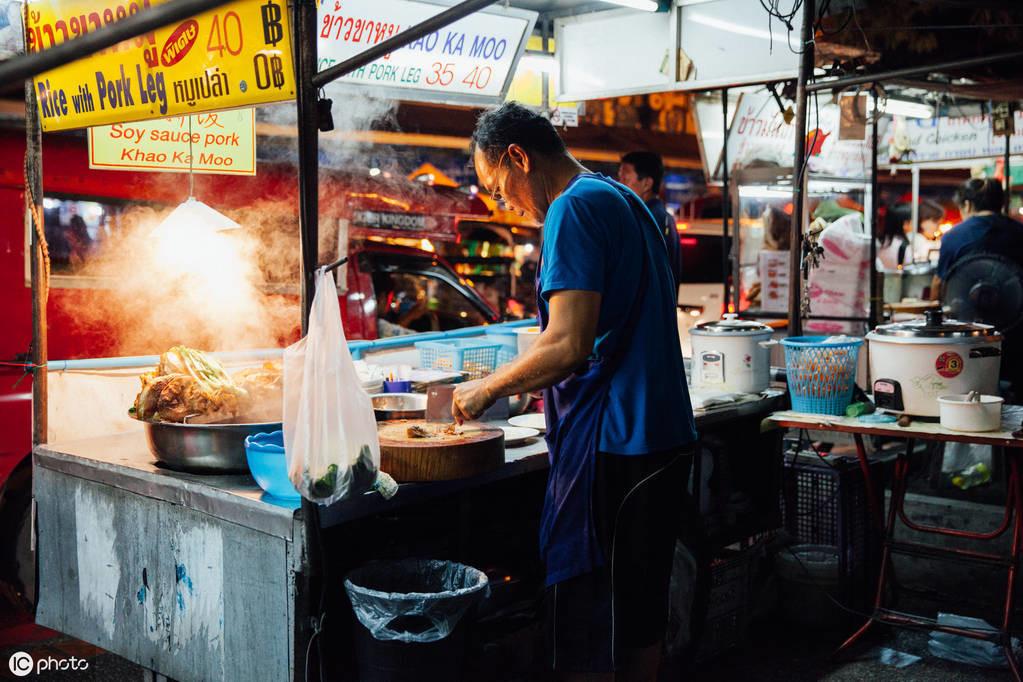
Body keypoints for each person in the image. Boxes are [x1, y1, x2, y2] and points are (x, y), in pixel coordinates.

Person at [453, 103, 697, 681]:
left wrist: (484, 389)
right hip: (660, 434)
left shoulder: (573, 209)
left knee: (594, 615)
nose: (502, 203)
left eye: (497, 187)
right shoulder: (620, 197)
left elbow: (567, 344)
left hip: (619, 440)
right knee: (639, 611)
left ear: (519, 156)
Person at [933, 178, 1023, 300]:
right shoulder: (1019, 230)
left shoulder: (953, 236)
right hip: (1016, 310)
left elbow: (938, 283)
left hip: (965, 314)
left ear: (967, 205)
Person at [618, 151, 684, 292]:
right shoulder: (666, 218)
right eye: (620, 179)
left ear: (647, 184)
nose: (619, 185)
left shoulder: (644, 220)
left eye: (625, 179)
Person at [876, 200, 944, 270]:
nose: (915, 223)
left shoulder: (880, 242)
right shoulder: (909, 242)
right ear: (905, 224)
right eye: (912, 221)